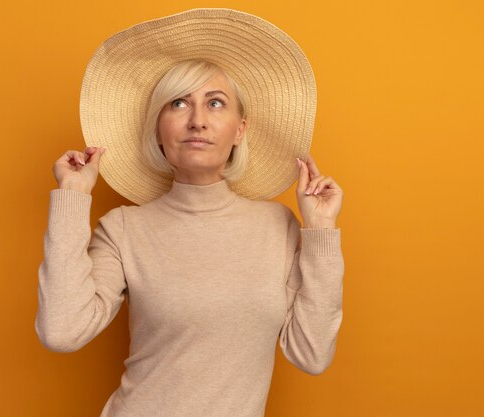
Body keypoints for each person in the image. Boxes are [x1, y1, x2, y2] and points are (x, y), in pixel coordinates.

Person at [35, 8, 344, 417]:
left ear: (240, 130)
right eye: (178, 103)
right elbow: (61, 331)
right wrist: (72, 197)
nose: (198, 121)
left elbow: (312, 353)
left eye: (216, 104)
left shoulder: (278, 226)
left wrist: (320, 230)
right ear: (159, 131)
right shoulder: (124, 229)